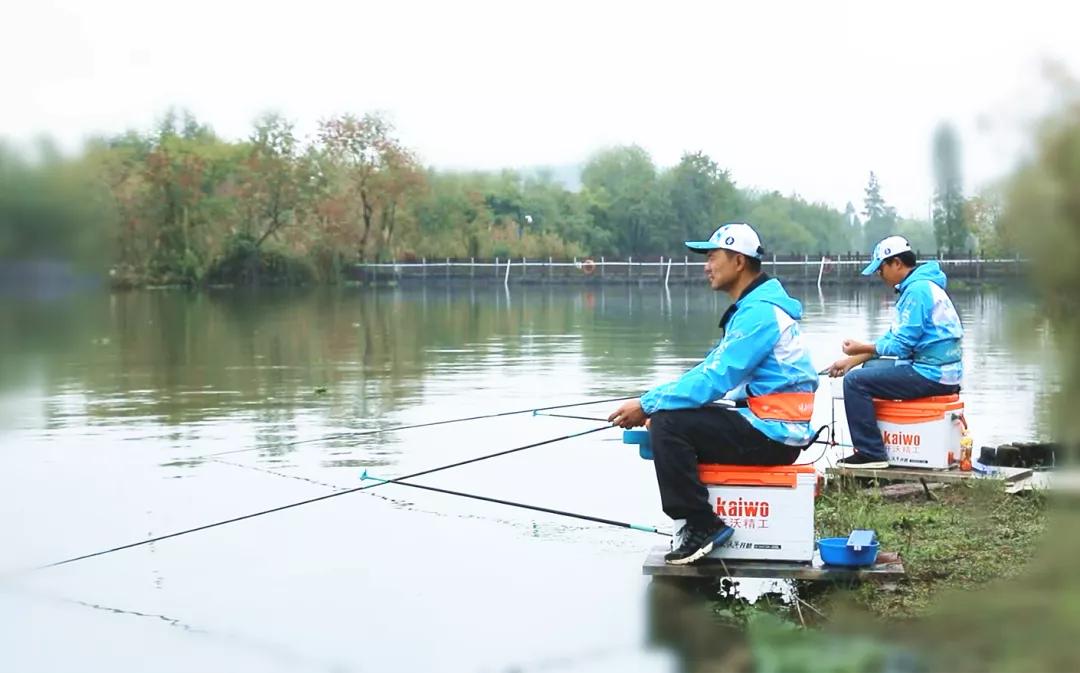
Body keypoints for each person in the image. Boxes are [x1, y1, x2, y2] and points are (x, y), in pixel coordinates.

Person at [608, 223, 819, 565]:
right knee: (670, 417)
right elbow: (712, 373)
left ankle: (703, 524)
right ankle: (697, 521)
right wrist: (658, 397)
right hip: (770, 426)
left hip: (775, 434)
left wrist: (648, 403)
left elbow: (713, 379)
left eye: (712, 257)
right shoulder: (754, 309)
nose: (706, 266)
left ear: (738, 261)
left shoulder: (759, 313)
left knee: (669, 424)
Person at [827, 235, 964, 469]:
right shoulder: (920, 287)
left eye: (881, 269)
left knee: (854, 382)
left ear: (897, 263)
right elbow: (893, 338)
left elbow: (900, 347)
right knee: (866, 369)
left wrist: (860, 347)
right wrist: (852, 360)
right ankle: (880, 444)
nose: (879, 275)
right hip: (940, 371)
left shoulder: (917, 292)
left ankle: (871, 453)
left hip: (934, 375)